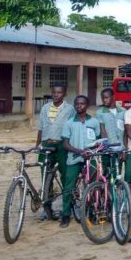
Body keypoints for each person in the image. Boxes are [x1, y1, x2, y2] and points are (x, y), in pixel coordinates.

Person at [35, 83, 76, 220]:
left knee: (65, 176)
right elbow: (41, 128)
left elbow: (73, 128)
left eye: (59, 92)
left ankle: (68, 207)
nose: (56, 95)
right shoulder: (45, 108)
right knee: (46, 177)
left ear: (64, 94)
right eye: (54, 92)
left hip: (62, 145)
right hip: (46, 144)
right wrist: (38, 145)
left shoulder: (70, 109)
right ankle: (47, 209)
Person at [60, 95, 101, 228]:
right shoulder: (69, 123)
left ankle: (93, 212)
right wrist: (78, 151)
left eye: (82, 104)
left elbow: (99, 140)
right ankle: (65, 214)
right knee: (68, 185)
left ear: (87, 105)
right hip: (74, 158)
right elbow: (65, 143)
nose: (79, 106)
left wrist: (92, 150)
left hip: (91, 158)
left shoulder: (94, 122)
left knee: (95, 184)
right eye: (77, 104)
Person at [96, 88, 126, 174]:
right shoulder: (100, 112)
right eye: (103, 98)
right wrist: (107, 146)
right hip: (108, 148)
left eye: (106, 97)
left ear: (113, 97)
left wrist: (124, 150)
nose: (104, 100)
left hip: (120, 148)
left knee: (117, 172)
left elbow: (125, 132)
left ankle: (116, 187)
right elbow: (102, 131)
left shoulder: (123, 111)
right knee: (107, 173)